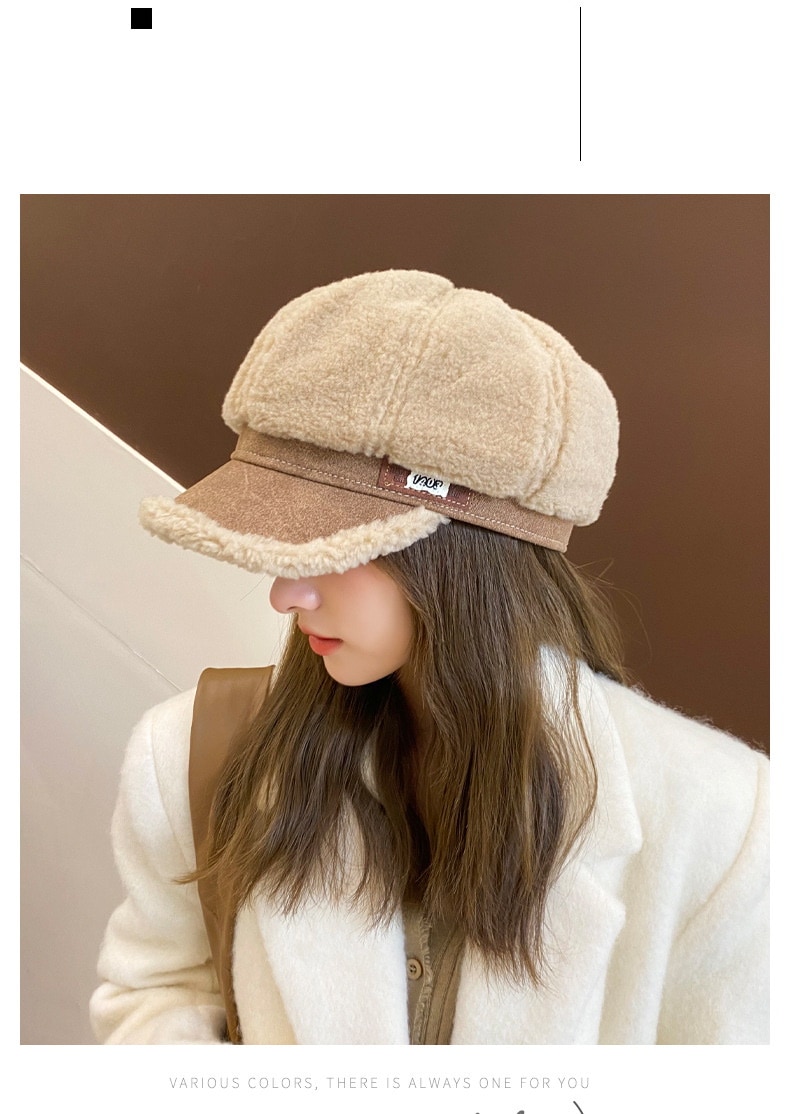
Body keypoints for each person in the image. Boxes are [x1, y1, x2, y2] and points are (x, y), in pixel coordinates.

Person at [90, 270, 768, 1045]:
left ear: (464, 559)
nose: (284, 594)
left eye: (333, 545)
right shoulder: (192, 755)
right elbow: (155, 992)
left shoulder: (725, 824)